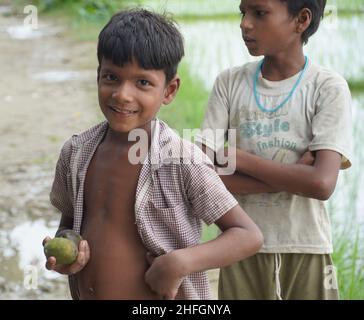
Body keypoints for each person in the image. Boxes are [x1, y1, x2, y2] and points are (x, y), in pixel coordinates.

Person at [43, 8, 263, 300]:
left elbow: (248, 235)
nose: (122, 94)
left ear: (169, 90)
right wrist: (69, 253)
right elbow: (70, 221)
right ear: (98, 77)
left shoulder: (182, 160)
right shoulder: (76, 153)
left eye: (142, 82)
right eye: (111, 77)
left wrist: (180, 262)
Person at [195, 0, 352, 300]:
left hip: (307, 248)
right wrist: (296, 176)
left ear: (301, 20)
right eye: (243, 12)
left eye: (260, 13)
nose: (245, 23)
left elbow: (320, 184)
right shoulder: (229, 83)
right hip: (239, 246)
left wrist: (237, 158)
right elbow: (201, 176)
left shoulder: (327, 88)